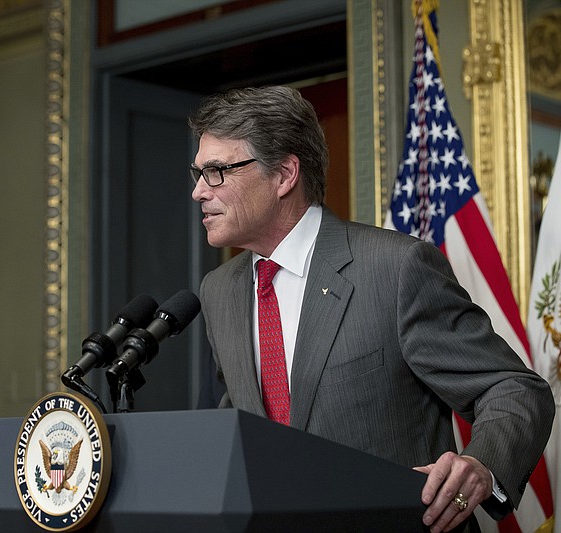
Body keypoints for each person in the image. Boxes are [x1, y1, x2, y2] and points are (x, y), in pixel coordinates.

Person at [189, 85, 555, 533]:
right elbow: (244, 425)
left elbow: (515, 388)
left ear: (285, 174)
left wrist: (481, 465)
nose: (198, 192)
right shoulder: (218, 290)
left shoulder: (396, 268)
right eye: (198, 173)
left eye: (216, 172)